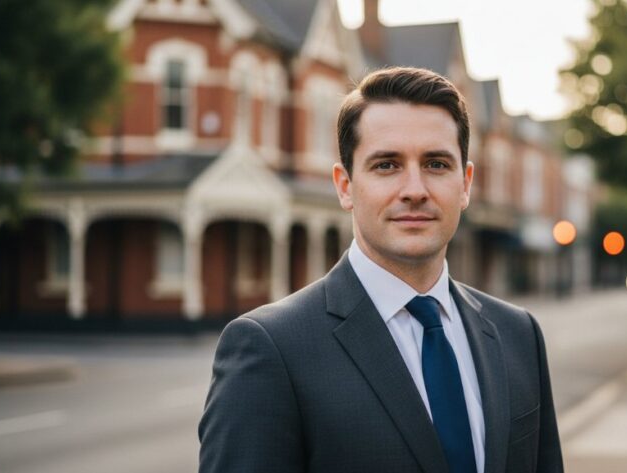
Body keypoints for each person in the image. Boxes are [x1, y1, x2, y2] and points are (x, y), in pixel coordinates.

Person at [198, 66, 563, 473]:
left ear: (466, 184)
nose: (414, 190)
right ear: (345, 186)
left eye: (437, 164)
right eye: (387, 165)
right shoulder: (271, 349)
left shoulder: (518, 334)